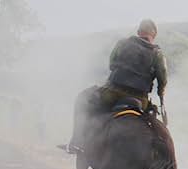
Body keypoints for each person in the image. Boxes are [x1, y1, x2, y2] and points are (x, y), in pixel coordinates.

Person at [65, 19, 169, 154]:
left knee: (84, 101)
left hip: (113, 93)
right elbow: (163, 79)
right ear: (154, 36)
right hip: (140, 100)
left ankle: (77, 142)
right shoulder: (158, 53)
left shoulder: (123, 43)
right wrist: (161, 93)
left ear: (138, 32)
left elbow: (111, 64)